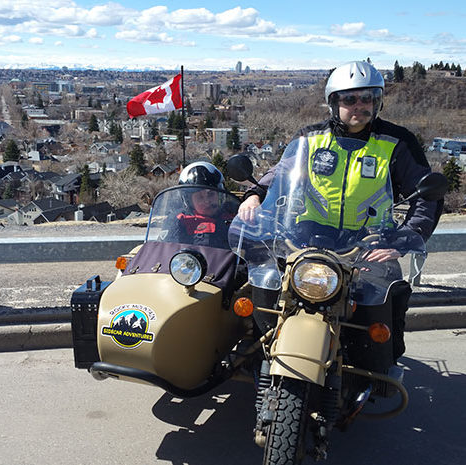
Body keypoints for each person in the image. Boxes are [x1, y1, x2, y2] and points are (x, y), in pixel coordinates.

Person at [238, 61, 444, 366]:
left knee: (381, 295)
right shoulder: (309, 138)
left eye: (366, 98)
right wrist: (256, 194)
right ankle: (261, 349)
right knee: (266, 279)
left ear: (377, 102)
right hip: (307, 235)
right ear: (334, 102)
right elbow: (282, 173)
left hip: (370, 241)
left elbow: (427, 196)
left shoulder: (398, 143)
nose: (358, 106)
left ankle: (377, 365)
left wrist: (405, 238)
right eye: (349, 99)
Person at [165, 161, 236, 249]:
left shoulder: (232, 215)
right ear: (188, 201)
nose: (207, 201)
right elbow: (167, 250)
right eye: (200, 197)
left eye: (211, 194)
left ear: (220, 195)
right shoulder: (180, 219)